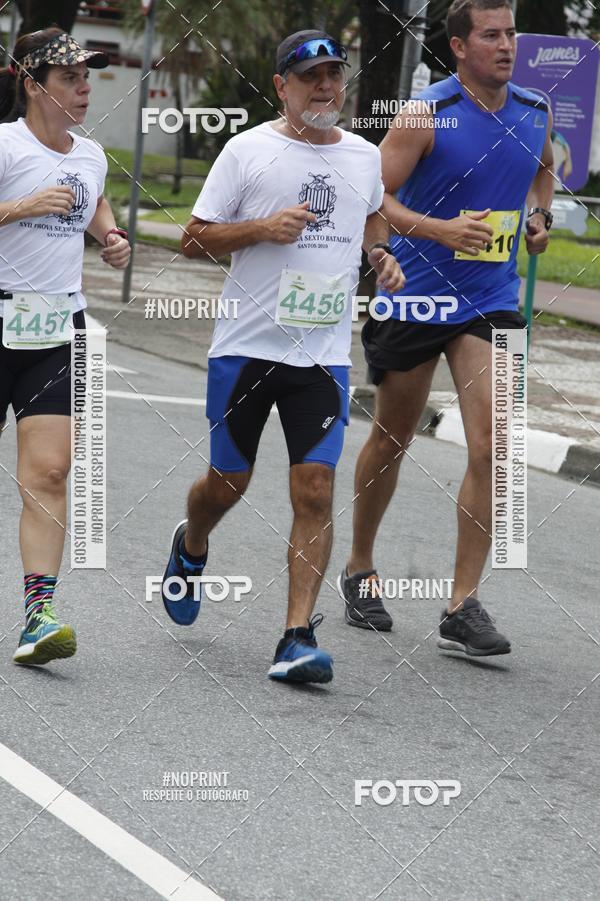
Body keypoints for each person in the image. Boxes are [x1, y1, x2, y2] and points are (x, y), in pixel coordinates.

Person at [162, 30, 405, 684]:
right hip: (245, 349)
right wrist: (260, 229)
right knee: (227, 484)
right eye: (309, 77)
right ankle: (191, 544)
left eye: (333, 74)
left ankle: (297, 634)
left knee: (316, 489)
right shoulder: (248, 152)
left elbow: (375, 215)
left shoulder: (362, 156)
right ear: (281, 87)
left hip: (323, 356)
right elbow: (192, 238)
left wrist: (381, 255)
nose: (324, 87)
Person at [338, 0, 554, 656]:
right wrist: (438, 230)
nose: (506, 45)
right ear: (459, 47)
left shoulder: (533, 111)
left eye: (510, 33)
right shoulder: (425, 112)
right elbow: (373, 194)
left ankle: (462, 602)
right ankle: (358, 567)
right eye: (491, 35)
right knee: (392, 436)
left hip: (492, 298)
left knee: (495, 443)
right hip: (415, 296)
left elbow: (545, 171)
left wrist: (541, 218)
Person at [0, 28, 131, 665]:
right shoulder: (4, 146)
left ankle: (38, 617)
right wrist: (19, 206)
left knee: (51, 473)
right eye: (69, 79)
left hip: (57, 328)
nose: (84, 89)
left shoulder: (90, 154)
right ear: (31, 84)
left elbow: (95, 198)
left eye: (88, 78)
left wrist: (109, 235)